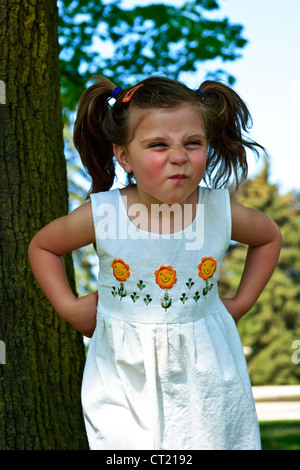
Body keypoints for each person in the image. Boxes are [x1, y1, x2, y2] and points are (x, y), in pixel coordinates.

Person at [28, 76, 282, 450]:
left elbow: (268, 237)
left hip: (207, 375)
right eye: (158, 145)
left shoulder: (217, 210)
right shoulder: (105, 214)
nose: (178, 156)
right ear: (124, 156)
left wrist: (240, 304)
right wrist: (70, 307)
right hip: (124, 380)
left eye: (193, 143)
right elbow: (44, 247)